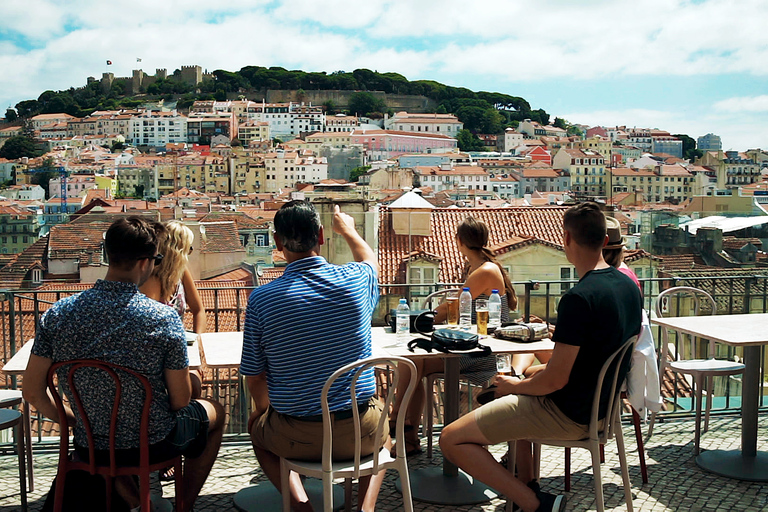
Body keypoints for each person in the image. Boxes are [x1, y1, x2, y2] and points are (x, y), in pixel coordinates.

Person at [439, 202, 642, 512]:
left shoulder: (579, 298)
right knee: (521, 379)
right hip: (602, 411)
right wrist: (524, 378)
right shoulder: (628, 287)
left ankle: (533, 503)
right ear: (604, 241)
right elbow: (585, 361)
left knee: (451, 439)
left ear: (567, 240)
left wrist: (512, 387)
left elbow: (555, 379)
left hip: (567, 414)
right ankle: (528, 484)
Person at [23, 216, 225, 512]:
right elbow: (181, 400)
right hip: (152, 443)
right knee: (215, 412)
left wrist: (77, 421)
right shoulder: (162, 318)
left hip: (91, 444)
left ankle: (136, 499)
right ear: (145, 262)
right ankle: (184, 505)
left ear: (108, 255)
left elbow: (32, 391)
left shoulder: (58, 314)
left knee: (112, 444)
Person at [241, 200, 386, 512]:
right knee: (386, 430)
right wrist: (347, 229)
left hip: (297, 437)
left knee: (257, 430)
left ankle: (301, 506)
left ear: (277, 243)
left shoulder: (262, 300)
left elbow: (255, 375)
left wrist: (266, 412)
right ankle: (365, 508)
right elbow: (370, 259)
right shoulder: (356, 281)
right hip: (360, 432)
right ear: (321, 236)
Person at [390, 216, 518, 456]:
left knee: (413, 363)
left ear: (458, 241)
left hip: (482, 354)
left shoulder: (485, 271)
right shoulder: (482, 267)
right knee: (415, 364)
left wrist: (421, 319)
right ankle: (406, 432)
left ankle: (400, 423)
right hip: (475, 347)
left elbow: (450, 309)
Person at [140, 220, 205, 401]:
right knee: (190, 386)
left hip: (179, 349)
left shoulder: (182, 272)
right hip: (156, 354)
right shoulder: (150, 280)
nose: (190, 253)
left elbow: (199, 309)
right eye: (189, 249)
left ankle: (186, 424)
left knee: (195, 384)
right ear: (178, 251)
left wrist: (197, 343)